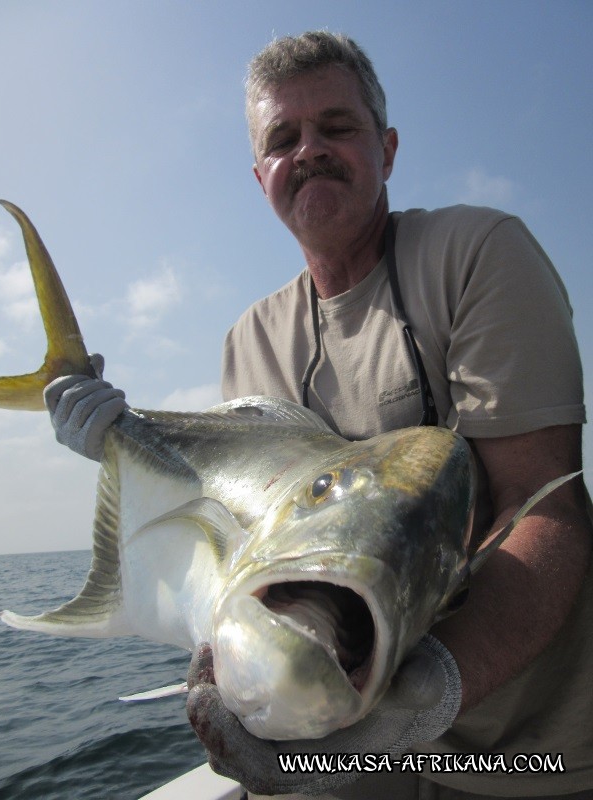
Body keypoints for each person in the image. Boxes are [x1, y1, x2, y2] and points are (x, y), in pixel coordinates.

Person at [45, 31, 593, 800]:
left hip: (522, 752)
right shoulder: (251, 338)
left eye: (337, 126)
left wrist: (423, 695)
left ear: (389, 149)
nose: (309, 150)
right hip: (350, 749)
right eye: (283, 138)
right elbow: (244, 547)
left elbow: (547, 506)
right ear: (259, 175)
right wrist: (117, 443)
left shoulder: (476, 252)